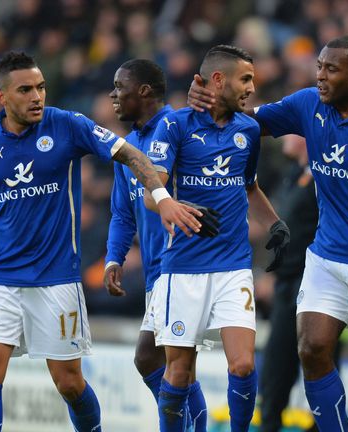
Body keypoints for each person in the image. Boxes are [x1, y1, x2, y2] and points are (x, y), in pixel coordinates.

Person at [0, 51, 206, 432]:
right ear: (2, 97)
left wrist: (163, 197)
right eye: (25, 89)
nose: (37, 96)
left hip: (56, 278)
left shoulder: (68, 125)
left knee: (69, 382)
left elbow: (131, 154)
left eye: (40, 87)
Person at [190, 36, 348, 432]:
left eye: (331, 69)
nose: (321, 77)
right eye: (319, 67)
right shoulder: (308, 104)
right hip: (326, 257)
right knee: (312, 349)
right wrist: (215, 99)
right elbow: (250, 121)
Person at [145, 45, 290, 432]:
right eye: (245, 79)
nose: (251, 87)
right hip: (184, 269)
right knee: (178, 370)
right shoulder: (175, 126)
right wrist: (174, 207)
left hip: (233, 266)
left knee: (243, 364)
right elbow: (151, 191)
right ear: (219, 80)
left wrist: (275, 224)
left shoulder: (248, 130)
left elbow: (249, 186)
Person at [103, 58, 212, 431]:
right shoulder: (127, 149)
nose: (113, 95)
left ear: (144, 91)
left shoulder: (178, 125)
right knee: (164, 364)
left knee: (154, 359)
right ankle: (195, 425)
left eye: (119, 87)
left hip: (183, 265)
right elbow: (122, 213)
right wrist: (114, 258)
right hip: (155, 271)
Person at [259, 134, 320, 432]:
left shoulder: (323, 177)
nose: (282, 135)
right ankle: (270, 424)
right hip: (286, 283)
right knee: (276, 367)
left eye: (291, 130)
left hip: (310, 283)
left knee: (312, 360)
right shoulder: (293, 175)